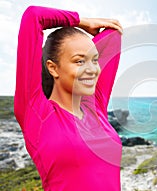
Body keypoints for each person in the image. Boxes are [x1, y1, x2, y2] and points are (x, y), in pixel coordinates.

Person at [14, 5, 123, 190]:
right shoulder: (36, 113)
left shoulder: (95, 108)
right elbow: (34, 16)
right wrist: (83, 22)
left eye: (94, 60)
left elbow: (114, 34)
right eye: (79, 61)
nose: (92, 70)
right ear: (53, 68)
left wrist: (82, 39)